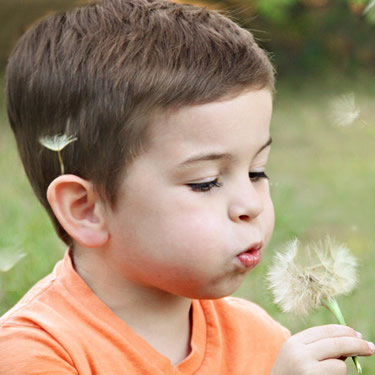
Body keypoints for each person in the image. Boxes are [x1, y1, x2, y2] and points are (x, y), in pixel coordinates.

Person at [0, 0, 373, 373]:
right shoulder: (34, 352)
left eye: (257, 172)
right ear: (86, 209)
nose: (251, 204)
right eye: (205, 182)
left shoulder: (258, 337)